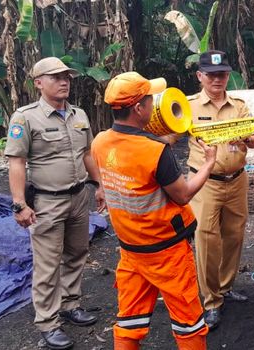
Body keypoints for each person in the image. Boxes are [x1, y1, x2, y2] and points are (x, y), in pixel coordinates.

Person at [92, 71, 215, 349]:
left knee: (129, 321)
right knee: (189, 324)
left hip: (131, 250)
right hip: (167, 252)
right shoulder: (154, 152)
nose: (154, 104)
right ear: (138, 108)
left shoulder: (100, 141)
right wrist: (208, 163)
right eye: (150, 100)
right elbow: (182, 195)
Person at [4, 57, 105, 349]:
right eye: (56, 77)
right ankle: (48, 322)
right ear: (38, 83)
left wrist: (99, 185)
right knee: (47, 264)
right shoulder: (25, 117)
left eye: (67, 77)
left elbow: (88, 154)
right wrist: (19, 204)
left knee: (77, 253)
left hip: (78, 197)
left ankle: (71, 304)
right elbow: (17, 163)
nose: (64, 81)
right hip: (48, 201)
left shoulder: (79, 115)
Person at [186, 50, 254, 329]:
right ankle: (211, 300)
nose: (217, 79)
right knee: (206, 239)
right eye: (211, 74)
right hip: (205, 183)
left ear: (228, 75)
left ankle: (226, 287)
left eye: (222, 74)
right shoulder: (188, 106)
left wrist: (246, 135)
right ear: (200, 76)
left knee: (234, 235)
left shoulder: (239, 106)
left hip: (237, 180)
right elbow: (166, 135)